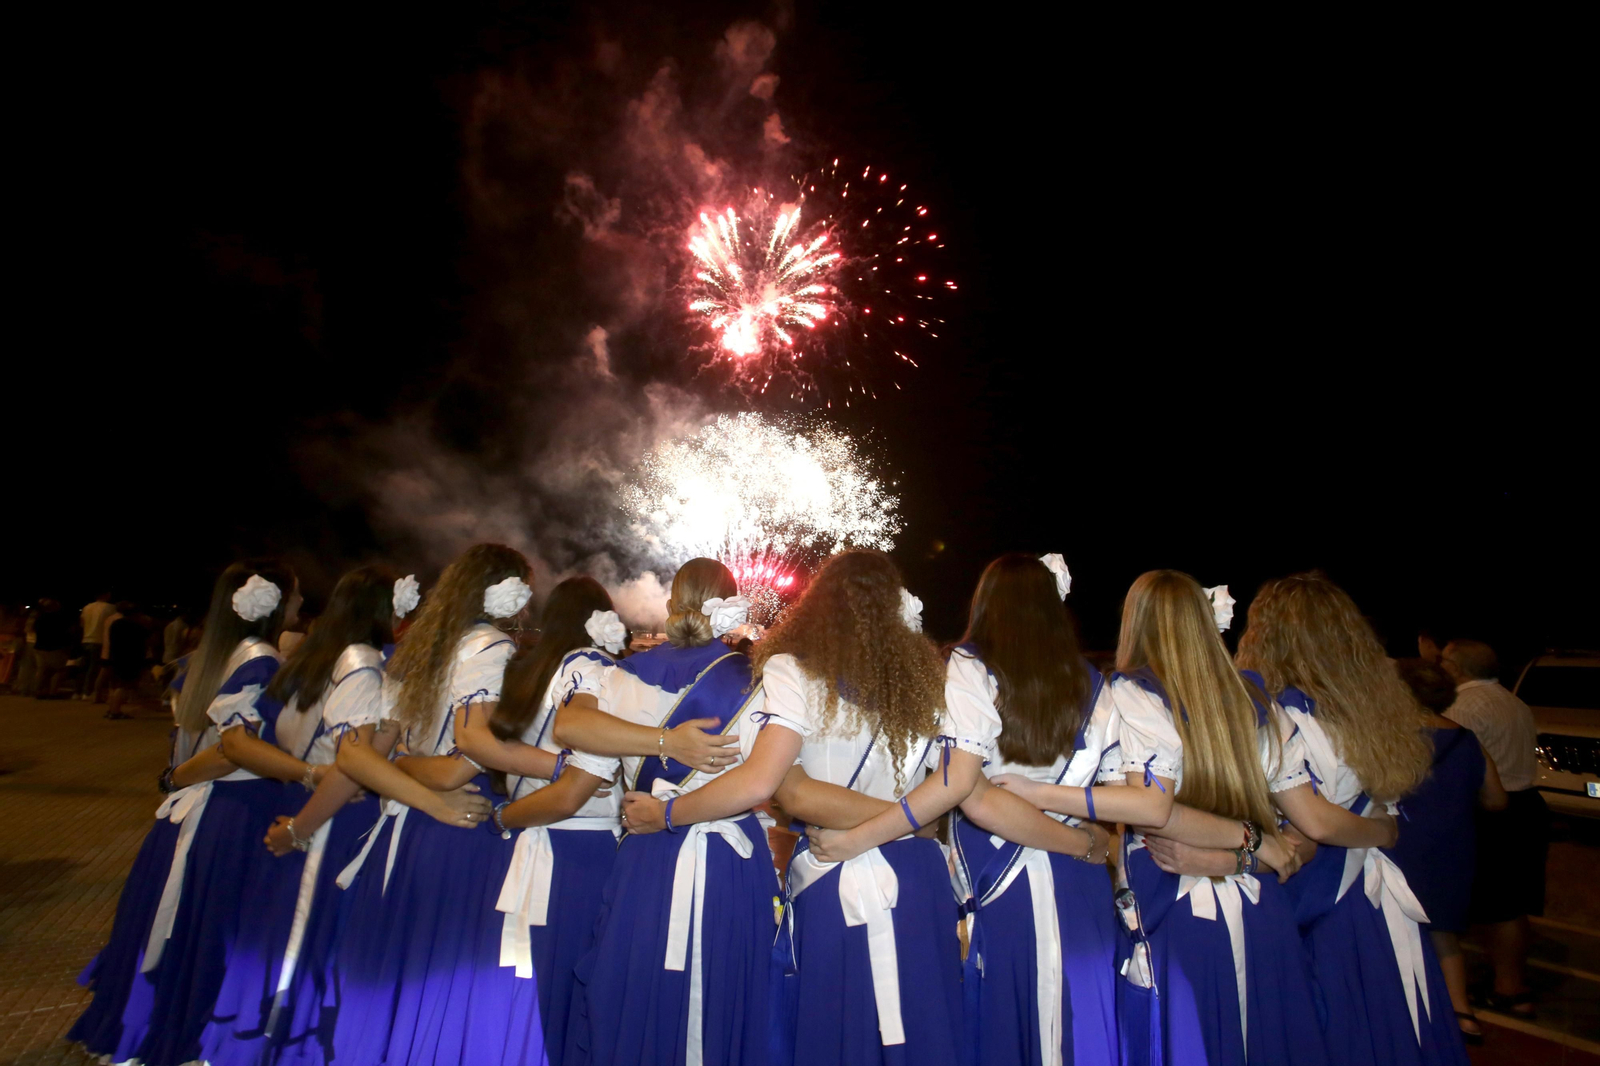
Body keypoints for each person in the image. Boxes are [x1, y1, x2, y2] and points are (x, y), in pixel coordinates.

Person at [622, 551, 1090, 1066]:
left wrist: (667, 814)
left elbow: (780, 787)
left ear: (818, 607)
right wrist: (911, 824)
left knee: (832, 1031)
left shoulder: (792, 671)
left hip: (830, 870)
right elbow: (947, 798)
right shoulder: (932, 682)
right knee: (925, 1026)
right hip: (917, 876)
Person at [997, 570, 1374, 1065]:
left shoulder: (1132, 697)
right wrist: (1250, 847)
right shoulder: (1261, 701)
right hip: (1262, 909)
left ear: (1135, 622)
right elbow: (1301, 835)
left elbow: (1157, 811)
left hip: (1170, 903)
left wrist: (1037, 791)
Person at [69, 560, 305, 1065]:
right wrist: (308, 773)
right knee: (215, 929)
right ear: (274, 603)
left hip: (195, 813)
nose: (302, 604)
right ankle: (191, 1037)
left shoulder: (207, 656)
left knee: (184, 923)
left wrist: (175, 778)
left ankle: (154, 1028)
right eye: (296, 595)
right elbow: (232, 749)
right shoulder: (260, 660)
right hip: (234, 811)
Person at [328, 544, 553, 1064]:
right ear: (508, 590)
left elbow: (358, 756)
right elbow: (460, 766)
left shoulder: (424, 648)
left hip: (407, 831)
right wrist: (439, 802)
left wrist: (407, 768)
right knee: (461, 986)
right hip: (465, 830)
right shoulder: (490, 650)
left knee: (406, 973)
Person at [1232, 574, 1469, 1064]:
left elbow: (1312, 823)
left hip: (1314, 899)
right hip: (1370, 898)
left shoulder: (1280, 712)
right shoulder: (1364, 709)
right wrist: (1383, 829)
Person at [554, 557, 773, 1066]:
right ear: (733, 606)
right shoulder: (764, 679)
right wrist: (672, 742)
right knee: (723, 991)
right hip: (729, 861)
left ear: (671, 606)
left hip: (648, 851)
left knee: (635, 987)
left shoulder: (616, 674)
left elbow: (569, 728)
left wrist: (660, 742)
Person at [943, 553, 1120, 1066]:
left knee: (998, 1020)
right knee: (1076, 1018)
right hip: (1077, 873)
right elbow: (1113, 792)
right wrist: (1091, 841)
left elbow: (962, 786)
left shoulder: (968, 667)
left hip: (991, 869)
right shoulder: (1098, 684)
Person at [475, 576, 628, 1065]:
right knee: (569, 994)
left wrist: (506, 818)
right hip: (580, 856)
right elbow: (572, 796)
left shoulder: (528, 671)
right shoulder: (594, 671)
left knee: (528, 990)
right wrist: (505, 817)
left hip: (528, 842)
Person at [1394, 657, 1508, 1044]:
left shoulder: (1394, 738)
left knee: (1397, 928)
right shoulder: (1466, 738)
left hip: (1402, 846)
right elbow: (1496, 799)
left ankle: (1404, 1015)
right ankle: (1462, 1013)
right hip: (1453, 849)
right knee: (1444, 935)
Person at [1440, 638, 1548, 1021]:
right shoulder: (1513, 702)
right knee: (1514, 904)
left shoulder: (1463, 707)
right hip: (1528, 806)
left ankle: (1509, 989)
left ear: (1456, 668)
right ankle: (1511, 982)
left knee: (1497, 906)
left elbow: (1454, 763)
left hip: (1494, 809)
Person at [102, 602, 147, 719]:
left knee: (115, 685)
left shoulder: (116, 624)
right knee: (123, 686)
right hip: (129, 658)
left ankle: (111, 709)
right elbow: (140, 645)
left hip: (116, 656)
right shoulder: (137, 627)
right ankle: (115, 711)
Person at [31, 598, 74, 698]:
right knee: (59, 670)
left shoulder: (39, 618)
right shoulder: (60, 619)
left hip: (39, 647)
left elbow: (34, 630)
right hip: (55, 647)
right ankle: (52, 691)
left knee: (41, 670)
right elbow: (66, 633)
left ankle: (38, 690)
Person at [78, 590, 116, 700]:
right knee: (94, 669)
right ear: (107, 595)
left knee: (84, 667)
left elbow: (82, 623)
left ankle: (79, 691)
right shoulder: (110, 608)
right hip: (99, 640)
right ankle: (88, 692)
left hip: (86, 639)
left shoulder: (87, 607)